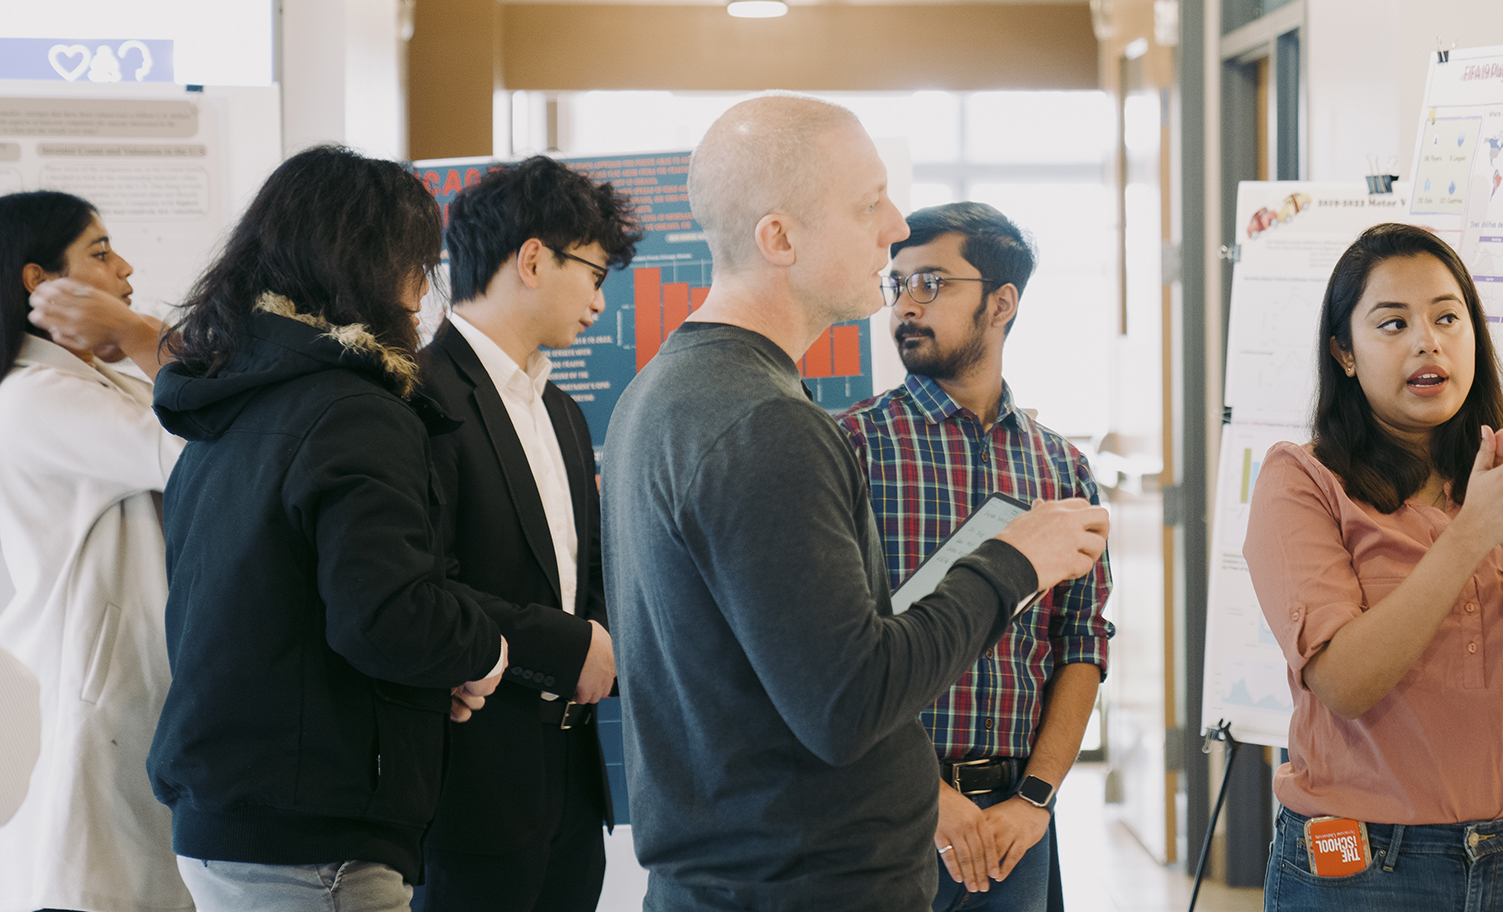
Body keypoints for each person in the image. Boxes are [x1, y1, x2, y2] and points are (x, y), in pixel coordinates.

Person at [600, 94, 1111, 911]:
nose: (892, 226)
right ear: (780, 237)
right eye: (869, 203)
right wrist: (1015, 563)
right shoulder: (768, 424)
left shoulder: (665, 392)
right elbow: (849, 700)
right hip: (797, 885)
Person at [146, 146, 509, 912]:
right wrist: (484, 647)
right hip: (313, 840)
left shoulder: (234, 397)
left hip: (231, 810)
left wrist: (417, 682)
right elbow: (385, 617)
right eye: (418, 265)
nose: (421, 294)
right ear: (374, 267)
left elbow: (285, 610)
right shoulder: (353, 410)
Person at [1242, 222, 1503, 910]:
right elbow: (1345, 684)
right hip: (1363, 867)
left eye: (1446, 316)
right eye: (1393, 323)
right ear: (1344, 352)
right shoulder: (1302, 481)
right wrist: (1472, 535)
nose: (1426, 341)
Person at [838, 202, 1113, 910]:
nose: (905, 305)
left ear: (1002, 302)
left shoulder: (1063, 470)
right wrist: (927, 799)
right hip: (879, 811)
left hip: (1016, 819)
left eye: (931, 282)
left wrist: (1036, 799)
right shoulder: (850, 447)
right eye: (896, 284)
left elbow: (1080, 642)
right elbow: (830, 656)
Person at [414, 157, 639, 912]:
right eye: (596, 275)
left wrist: (601, 630)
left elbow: (585, 567)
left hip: (572, 780)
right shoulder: (419, 396)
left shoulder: (564, 411)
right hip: (468, 787)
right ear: (535, 258)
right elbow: (418, 586)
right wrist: (570, 647)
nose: (601, 305)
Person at [0, 191, 191, 912]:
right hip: (93, 707)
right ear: (39, 282)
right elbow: (195, 451)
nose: (126, 268)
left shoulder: (86, 382)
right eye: (102, 253)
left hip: (129, 702)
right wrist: (143, 333)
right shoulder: (37, 395)